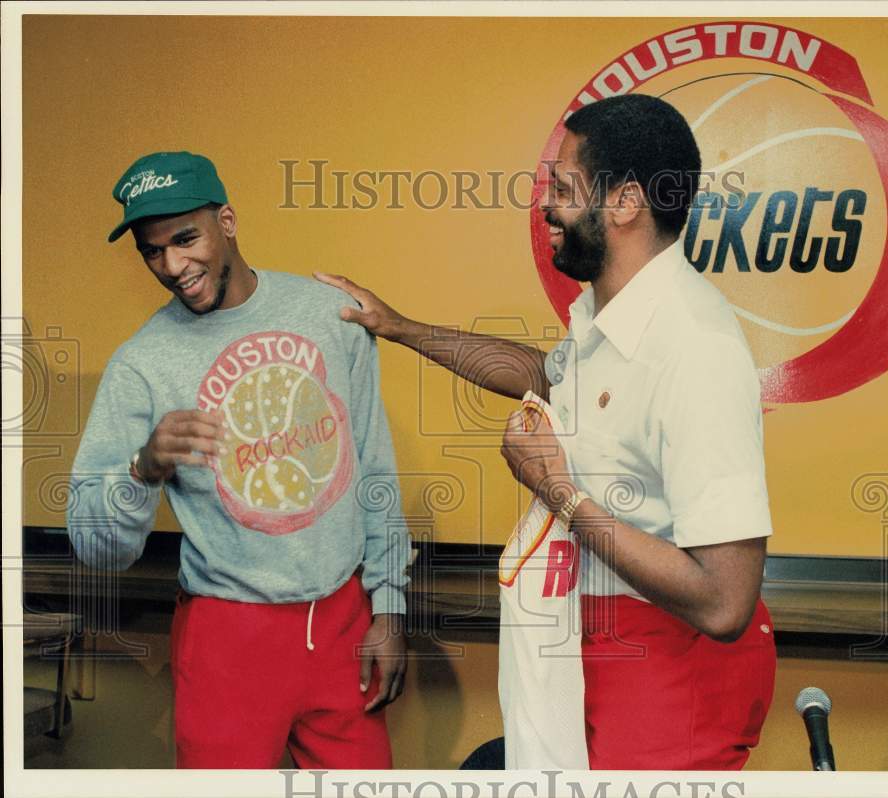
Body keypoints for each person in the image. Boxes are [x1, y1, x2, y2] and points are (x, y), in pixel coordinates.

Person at [317, 94, 775, 770]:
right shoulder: (608, 312)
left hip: (674, 678)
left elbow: (724, 601)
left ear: (623, 203)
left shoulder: (695, 345)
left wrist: (556, 490)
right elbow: (546, 375)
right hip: (599, 649)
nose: (545, 206)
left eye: (561, 188)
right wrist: (401, 328)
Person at [68, 151, 409, 769]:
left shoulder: (329, 315)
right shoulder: (141, 363)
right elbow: (97, 548)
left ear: (227, 221)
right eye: (152, 251)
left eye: (185, 239)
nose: (173, 266)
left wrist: (389, 606)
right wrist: (142, 470)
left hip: (342, 622)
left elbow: (374, 470)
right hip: (227, 636)